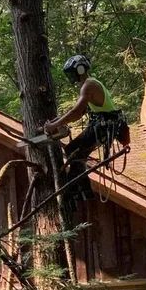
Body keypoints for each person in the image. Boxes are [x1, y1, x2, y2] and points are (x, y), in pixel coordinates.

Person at [43, 55, 128, 205]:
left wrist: (54, 126)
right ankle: (81, 191)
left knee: (73, 150)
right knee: (76, 152)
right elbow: (78, 112)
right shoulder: (88, 85)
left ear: (80, 70)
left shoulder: (89, 86)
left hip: (103, 126)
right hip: (101, 125)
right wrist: (55, 123)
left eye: (72, 73)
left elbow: (76, 112)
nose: (71, 77)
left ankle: (76, 192)